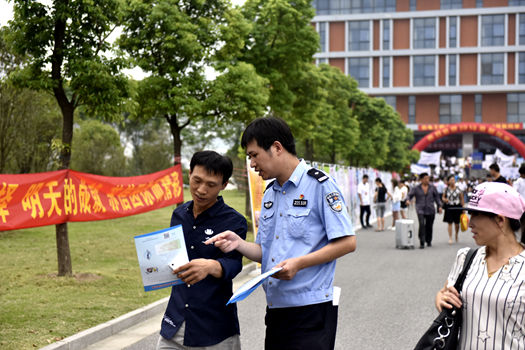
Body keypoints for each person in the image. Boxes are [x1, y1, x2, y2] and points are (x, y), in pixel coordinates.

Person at [207, 117, 356, 350]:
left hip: (311, 311)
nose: (252, 163)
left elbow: (348, 242)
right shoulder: (270, 193)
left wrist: (300, 263)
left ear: (277, 147)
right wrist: (238, 243)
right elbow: (268, 252)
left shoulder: (320, 185)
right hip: (276, 311)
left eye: (254, 155)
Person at [157, 151, 247, 350]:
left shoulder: (234, 221)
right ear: (189, 174)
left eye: (211, 185)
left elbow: (234, 263)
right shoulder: (179, 215)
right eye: (197, 180)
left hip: (215, 329)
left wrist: (211, 266)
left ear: (224, 185)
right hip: (175, 323)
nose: (201, 190)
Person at [434, 182, 525, 349]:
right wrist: (441, 299)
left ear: (500, 219)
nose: (469, 223)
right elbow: (443, 293)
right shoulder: (465, 257)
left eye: (476, 215)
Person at [405, 173, 442, 249]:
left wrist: (440, 206)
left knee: (429, 225)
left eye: (428, 178)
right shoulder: (416, 188)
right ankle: (422, 241)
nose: (427, 180)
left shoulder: (432, 187)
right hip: (420, 209)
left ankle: (428, 240)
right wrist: (408, 200)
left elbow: (437, 198)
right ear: (421, 180)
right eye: (425, 178)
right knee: (421, 225)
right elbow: (409, 195)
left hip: (430, 209)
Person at [442, 174, 464, 244]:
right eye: (451, 180)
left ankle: (456, 235)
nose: (452, 181)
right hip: (449, 207)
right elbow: (443, 197)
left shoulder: (458, 189)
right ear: (448, 181)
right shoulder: (446, 189)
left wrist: (463, 208)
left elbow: (462, 198)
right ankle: (450, 238)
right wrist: (445, 199)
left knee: (457, 224)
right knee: (449, 223)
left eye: (453, 180)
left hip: (457, 207)